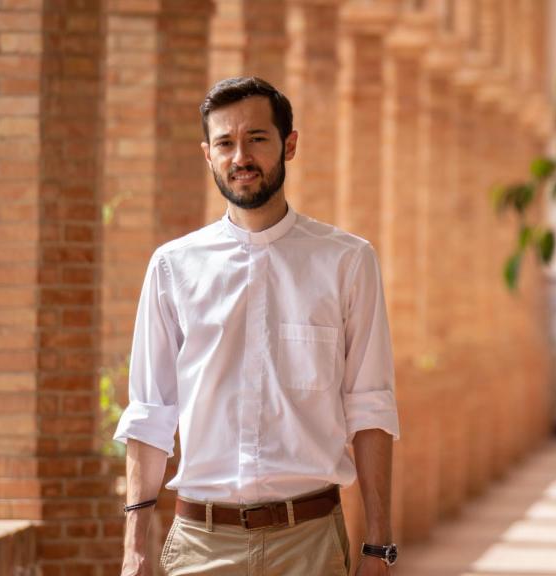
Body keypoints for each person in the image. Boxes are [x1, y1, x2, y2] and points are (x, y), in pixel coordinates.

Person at [114, 76, 400, 576]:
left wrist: (378, 543)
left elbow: (370, 405)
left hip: (310, 544)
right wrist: (134, 548)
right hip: (201, 546)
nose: (240, 156)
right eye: (225, 143)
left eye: (257, 138)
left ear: (289, 144)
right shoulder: (172, 267)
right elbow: (150, 412)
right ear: (208, 155)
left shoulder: (347, 262)